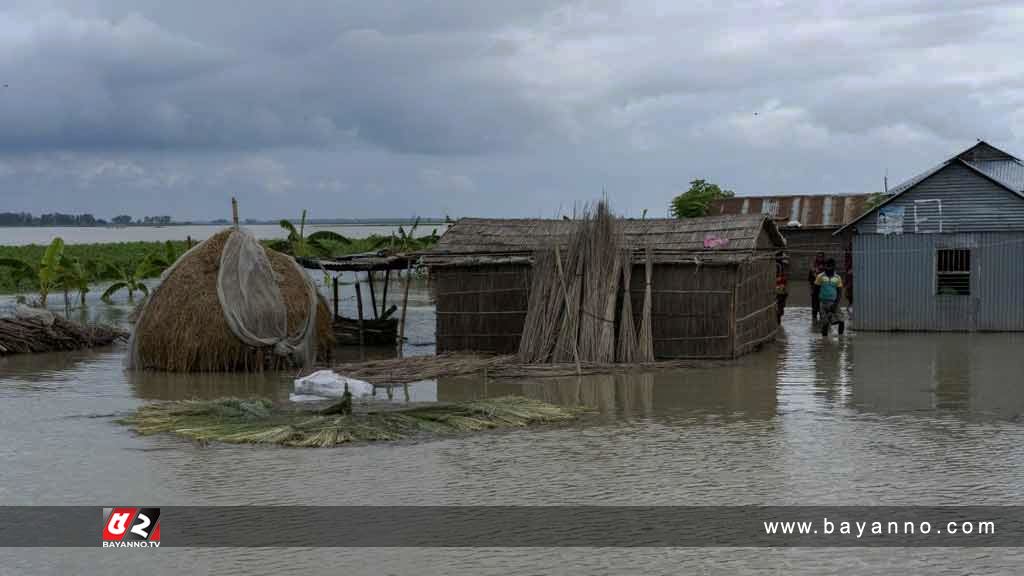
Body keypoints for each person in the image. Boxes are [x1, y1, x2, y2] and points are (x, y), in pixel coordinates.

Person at [815, 258, 845, 335]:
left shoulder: (838, 277)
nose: (828, 268)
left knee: (841, 321)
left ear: (834, 267)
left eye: (830, 266)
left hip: (834, 302)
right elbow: (816, 292)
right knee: (825, 323)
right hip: (823, 303)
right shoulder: (820, 276)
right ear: (825, 266)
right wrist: (817, 305)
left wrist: (835, 304)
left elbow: (839, 292)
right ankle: (824, 339)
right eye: (827, 266)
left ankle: (840, 338)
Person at [808, 251, 826, 322]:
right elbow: (810, 279)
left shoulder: (826, 266)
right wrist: (811, 289)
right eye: (818, 256)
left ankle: (822, 318)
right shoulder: (813, 267)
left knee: (823, 304)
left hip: (824, 288)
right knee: (814, 304)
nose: (820, 258)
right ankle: (814, 319)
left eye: (821, 256)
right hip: (815, 287)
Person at [775, 253, 788, 324]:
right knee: (779, 306)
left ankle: (778, 318)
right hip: (779, 291)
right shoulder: (777, 266)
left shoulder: (780, 267)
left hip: (781, 292)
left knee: (780, 306)